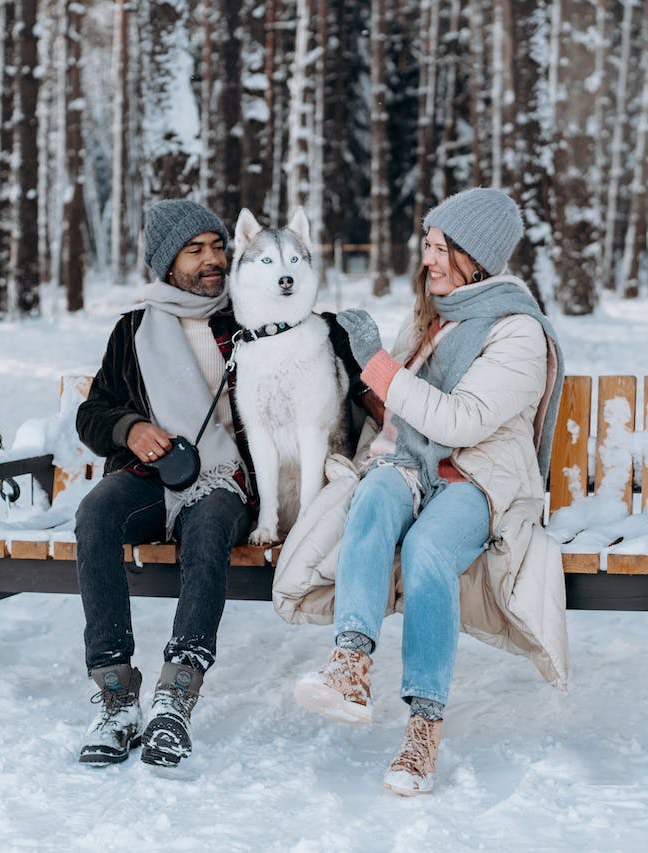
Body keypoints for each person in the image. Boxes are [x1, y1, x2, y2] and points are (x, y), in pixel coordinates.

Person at [282, 187, 568, 795]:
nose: (428, 261)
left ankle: (423, 726)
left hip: (477, 476)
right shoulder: (434, 317)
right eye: (428, 247)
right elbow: (399, 411)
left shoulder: (518, 332)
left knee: (428, 550)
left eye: (440, 249)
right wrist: (352, 364)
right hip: (410, 462)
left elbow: (461, 421)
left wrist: (378, 363)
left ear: (476, 257)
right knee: (374, 499)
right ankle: (350, 665)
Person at [73, 199, 368, 769]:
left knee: (209, 529)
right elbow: (92, 416)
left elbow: (315, 357)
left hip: (227, 480)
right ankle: (114, 696)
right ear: (166, 263)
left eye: (217, 246)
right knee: (96, 515)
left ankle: (176, 697)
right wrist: (130, 429)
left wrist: (354, 346)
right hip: (150, 474)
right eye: (195, 250)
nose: (213, 259)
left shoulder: (251, 317)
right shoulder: (134, 331)